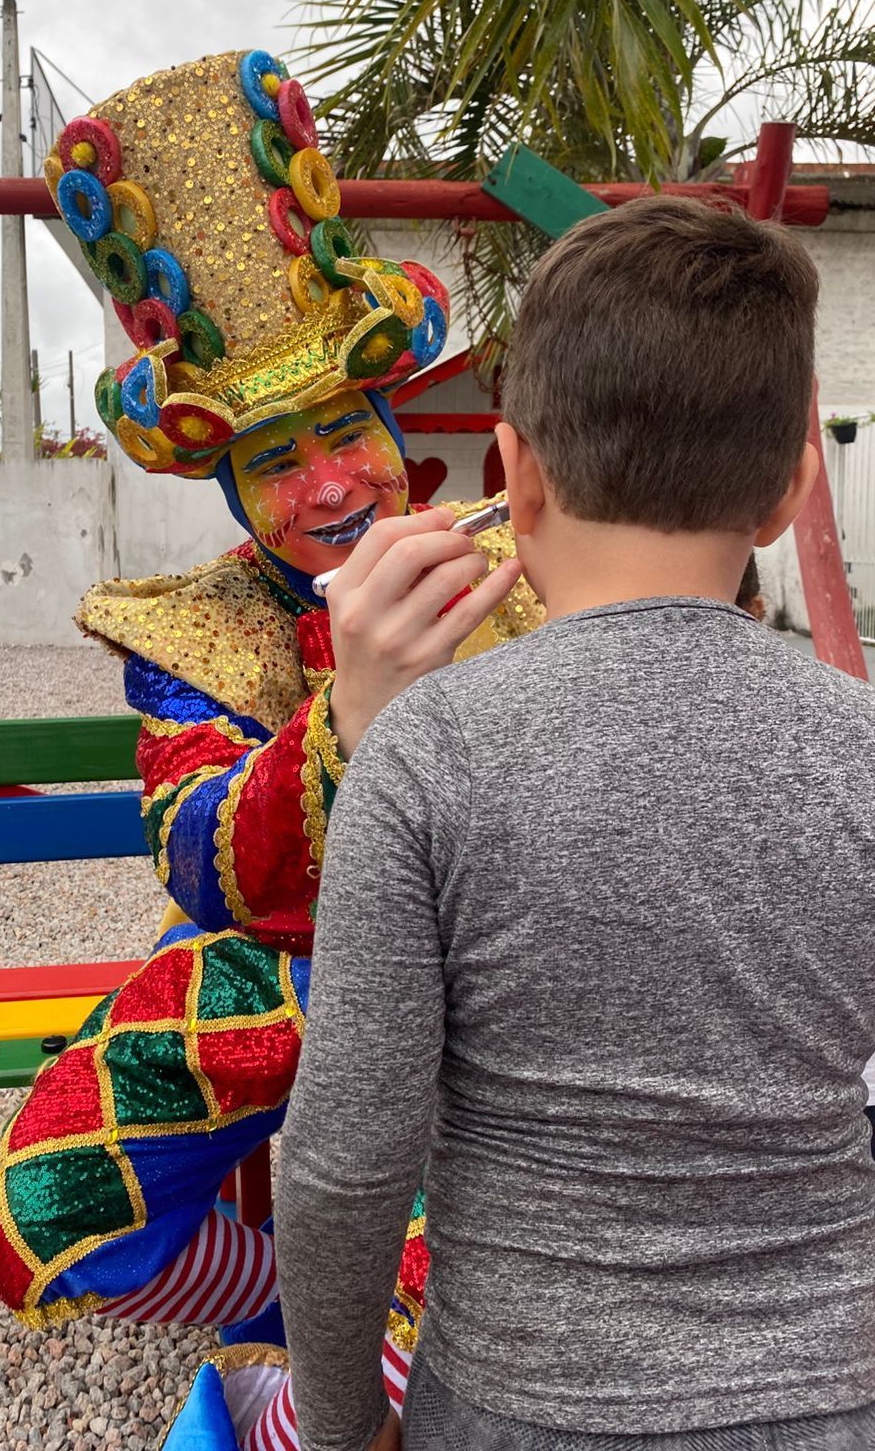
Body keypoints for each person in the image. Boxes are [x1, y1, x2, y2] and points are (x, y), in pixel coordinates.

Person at [0, 51, 542, 1420]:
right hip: (261, 981)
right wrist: (349, 704)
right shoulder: (187, 633)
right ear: (228, 482)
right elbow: (204, 864)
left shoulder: (516, 567)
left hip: (483, 993)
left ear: (394, 426)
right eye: (277, 458)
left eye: (345, 431)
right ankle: (290, 1298)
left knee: (451, 1287)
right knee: (35, 1228)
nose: (331, 482)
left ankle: (312, 1396)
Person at [276, 195, 875, 1451]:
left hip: (519, 1404)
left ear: (518, 473)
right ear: (789, 490)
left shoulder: (425, 759)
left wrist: (341, 1429)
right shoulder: (860, 754)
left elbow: (343, 1168)